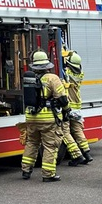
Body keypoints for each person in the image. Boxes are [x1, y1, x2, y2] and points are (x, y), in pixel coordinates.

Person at [20, 50, 69, 182]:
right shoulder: (53, 78)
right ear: (47, 65)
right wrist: (67, 110)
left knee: (31, 143)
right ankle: (48, 174)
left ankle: (26, 170)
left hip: (31, 117)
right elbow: (63, 99)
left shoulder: (29, 78)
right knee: (50, 146)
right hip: (47, 119)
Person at [61, 50, 91, 165]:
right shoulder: (80, 74)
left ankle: (77, 155)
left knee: (65, 132)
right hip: (77, 107)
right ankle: (87, 153)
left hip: (68, 107)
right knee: (78, 130)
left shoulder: (67, 73)